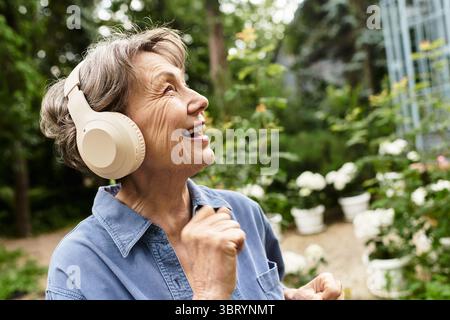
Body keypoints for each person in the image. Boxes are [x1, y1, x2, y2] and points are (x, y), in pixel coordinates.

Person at [40, 27, 342, 300]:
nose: (200, 100)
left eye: (186, 84)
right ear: (112, 132)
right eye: (169, 89)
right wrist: (209, 294)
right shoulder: (79, 267)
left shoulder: (244, 213)